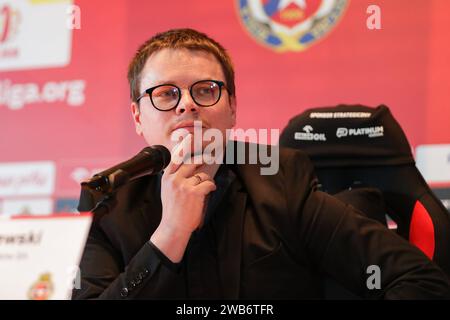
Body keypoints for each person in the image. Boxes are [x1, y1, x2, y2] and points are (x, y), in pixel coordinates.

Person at [72, 28, 450, 300]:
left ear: (232, 108)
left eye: (205, 90)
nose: (187, 104)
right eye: (167, 93)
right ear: (138, 117)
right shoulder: (109, 202)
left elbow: (418, 279)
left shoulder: (281, 180)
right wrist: (169, 234)